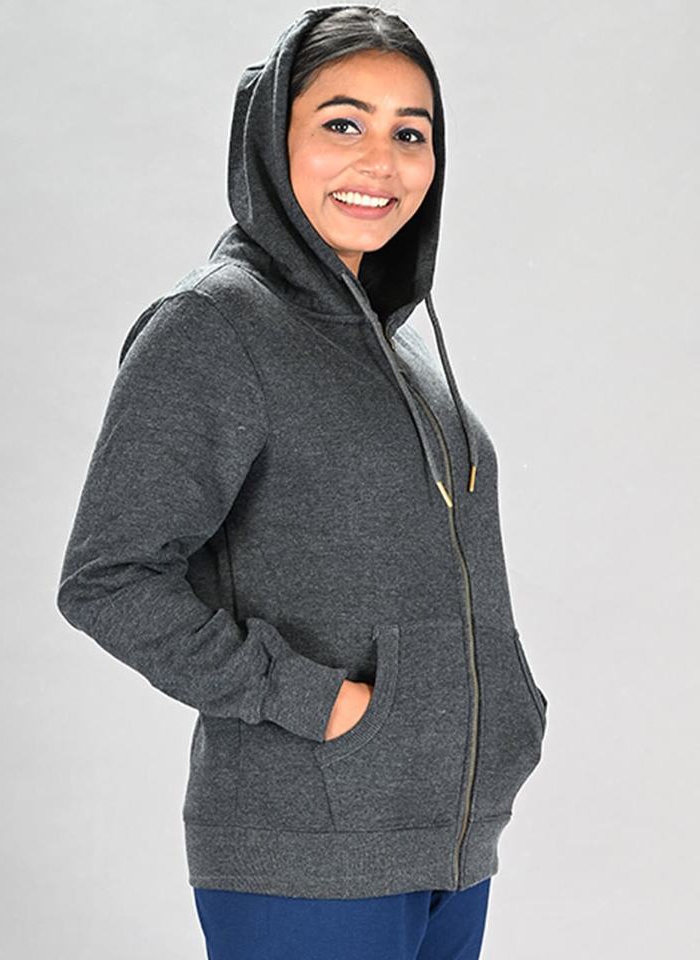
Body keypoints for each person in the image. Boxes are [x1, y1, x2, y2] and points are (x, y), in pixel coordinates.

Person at [56, 5, 549, 958]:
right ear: (271, 139)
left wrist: (509, 712)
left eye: (410, 134)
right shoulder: (215, 326)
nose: (381, 162)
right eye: (342, 123)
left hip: (449, 847)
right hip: (304, 855)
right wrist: (321, 703)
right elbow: (106, 579)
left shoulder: (403, 356)